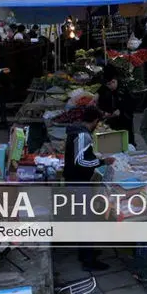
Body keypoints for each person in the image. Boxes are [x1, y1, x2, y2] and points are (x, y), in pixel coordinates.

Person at [64, 107, 113, 271]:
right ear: (94, 121)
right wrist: (101, 162)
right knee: (86, 220)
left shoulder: (77, 132)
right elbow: (80, 162)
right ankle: (88, 260)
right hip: (78, 182)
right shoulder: (83, 135)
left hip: (75, 181)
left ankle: (86, 252)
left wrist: (95, 157)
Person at [97, 67, 135, 146]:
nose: (111, 86)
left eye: (113, 82)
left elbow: (132, 104)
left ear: (116, 80)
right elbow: (101, 97)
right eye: (108, 84)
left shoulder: (124, 89)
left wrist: (121, 110)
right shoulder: (105, 89)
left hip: (124, 121)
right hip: (111, 122)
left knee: (126, 142)